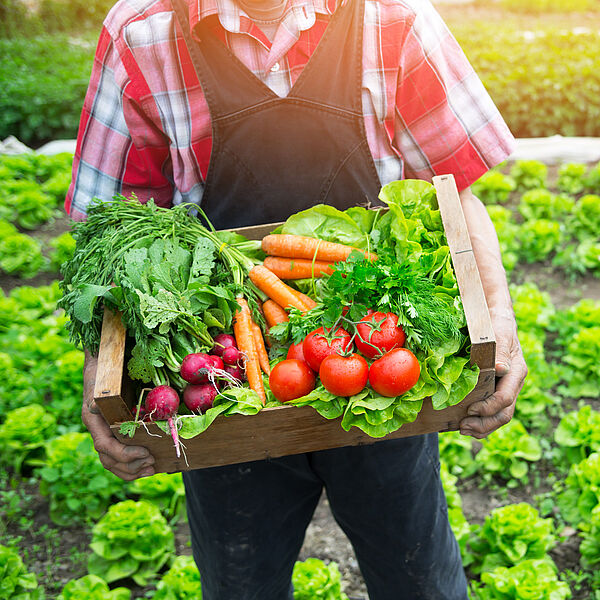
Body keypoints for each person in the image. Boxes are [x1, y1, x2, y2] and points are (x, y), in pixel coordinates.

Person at [68, 0, 527, 596]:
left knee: (420, 577)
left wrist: (500, 322)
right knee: (241, 583)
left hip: (376, 366)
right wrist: (99, 378)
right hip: (229, 376)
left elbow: (455, 187)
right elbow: (114, 233)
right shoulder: (141, 32)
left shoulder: (394, 17)